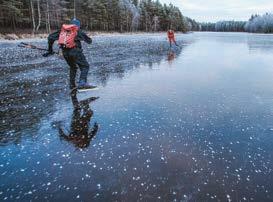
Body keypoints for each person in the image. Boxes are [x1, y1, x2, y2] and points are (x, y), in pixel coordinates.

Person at [43, 18, 95, 91]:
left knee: (73, 67)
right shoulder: (77, 31)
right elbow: (89, 41)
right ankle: (82, 83)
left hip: (65, 52)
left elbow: (50, 37)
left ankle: (72, 84)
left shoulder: (62, 31)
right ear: (78, 25)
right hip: (75, 51)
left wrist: (50, 50)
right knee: (85, 66)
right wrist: (85, 37)